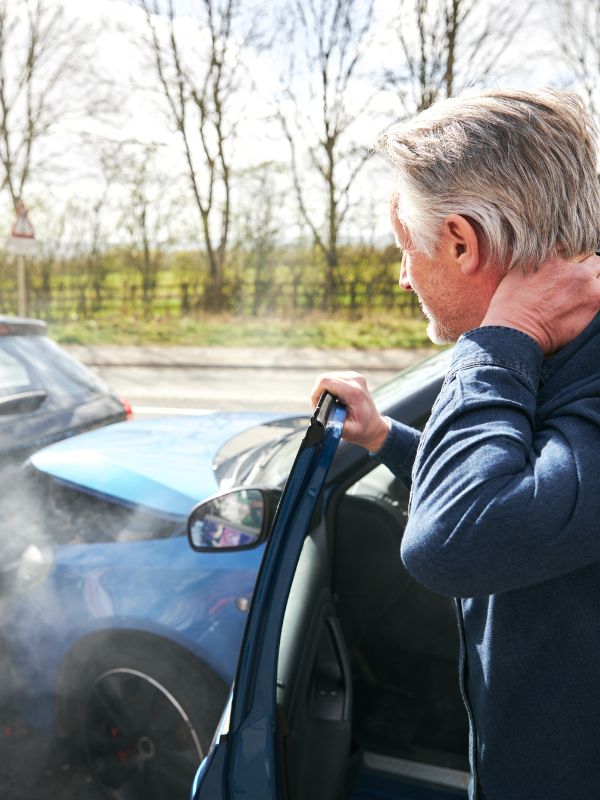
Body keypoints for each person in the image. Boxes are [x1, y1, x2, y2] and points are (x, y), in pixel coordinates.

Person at [311, 89, 600, 800]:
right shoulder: (563, 354)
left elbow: (456, 536)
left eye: (408, 248)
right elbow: (534, 494)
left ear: (463, 242)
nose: (404, 274)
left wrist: (499, 338)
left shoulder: (547, 362)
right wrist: (384, 437)